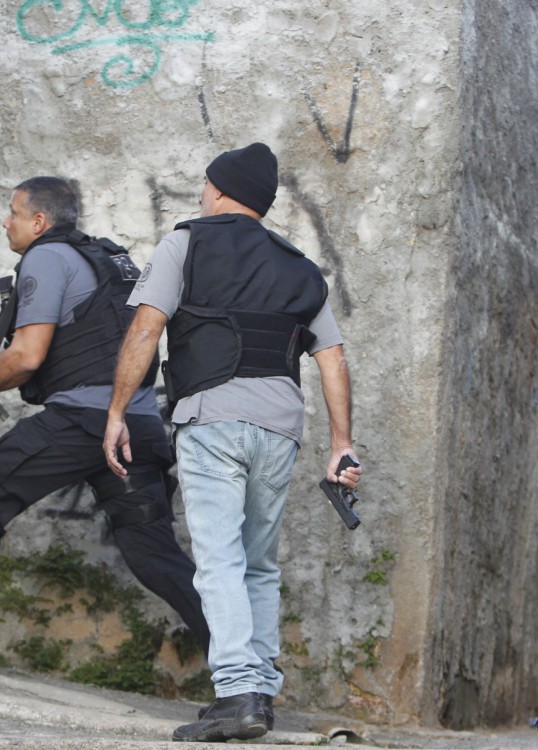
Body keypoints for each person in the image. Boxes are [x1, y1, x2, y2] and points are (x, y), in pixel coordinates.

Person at [0, 176, 209, 672]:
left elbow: (26, 356)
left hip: (85, 422)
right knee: (154, 554)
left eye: (13, 213)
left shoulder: (46, 257)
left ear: (39, 221)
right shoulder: (103, 259)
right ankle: (245, 667)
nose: (5, 222)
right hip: (138, 426)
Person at [102, 143, 362, 743]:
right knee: (258, 564)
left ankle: (238, 693)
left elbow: (145, 328)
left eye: (206, 183)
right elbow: (332, 358)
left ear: (219, 190)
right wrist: (341, 444)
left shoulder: (185, 243)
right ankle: (261, 693)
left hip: (212, 418)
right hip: (279, 428)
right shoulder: (301, 268)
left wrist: (117, 411)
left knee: (219, 559)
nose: (202, 192)